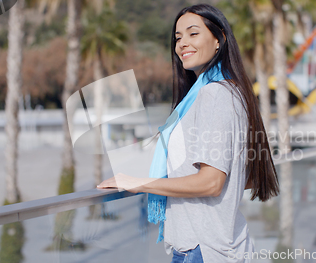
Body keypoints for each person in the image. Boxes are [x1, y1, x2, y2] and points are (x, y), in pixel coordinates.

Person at [97, 4, 279, 263]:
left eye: (193, 34)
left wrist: (138, 183)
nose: (182, 43)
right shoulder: (223, 91)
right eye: (178, 37)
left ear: (219, 40)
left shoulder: (215, 94)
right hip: (209, 245)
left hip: (205, 250)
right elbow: (242, 177)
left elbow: (212, 182)